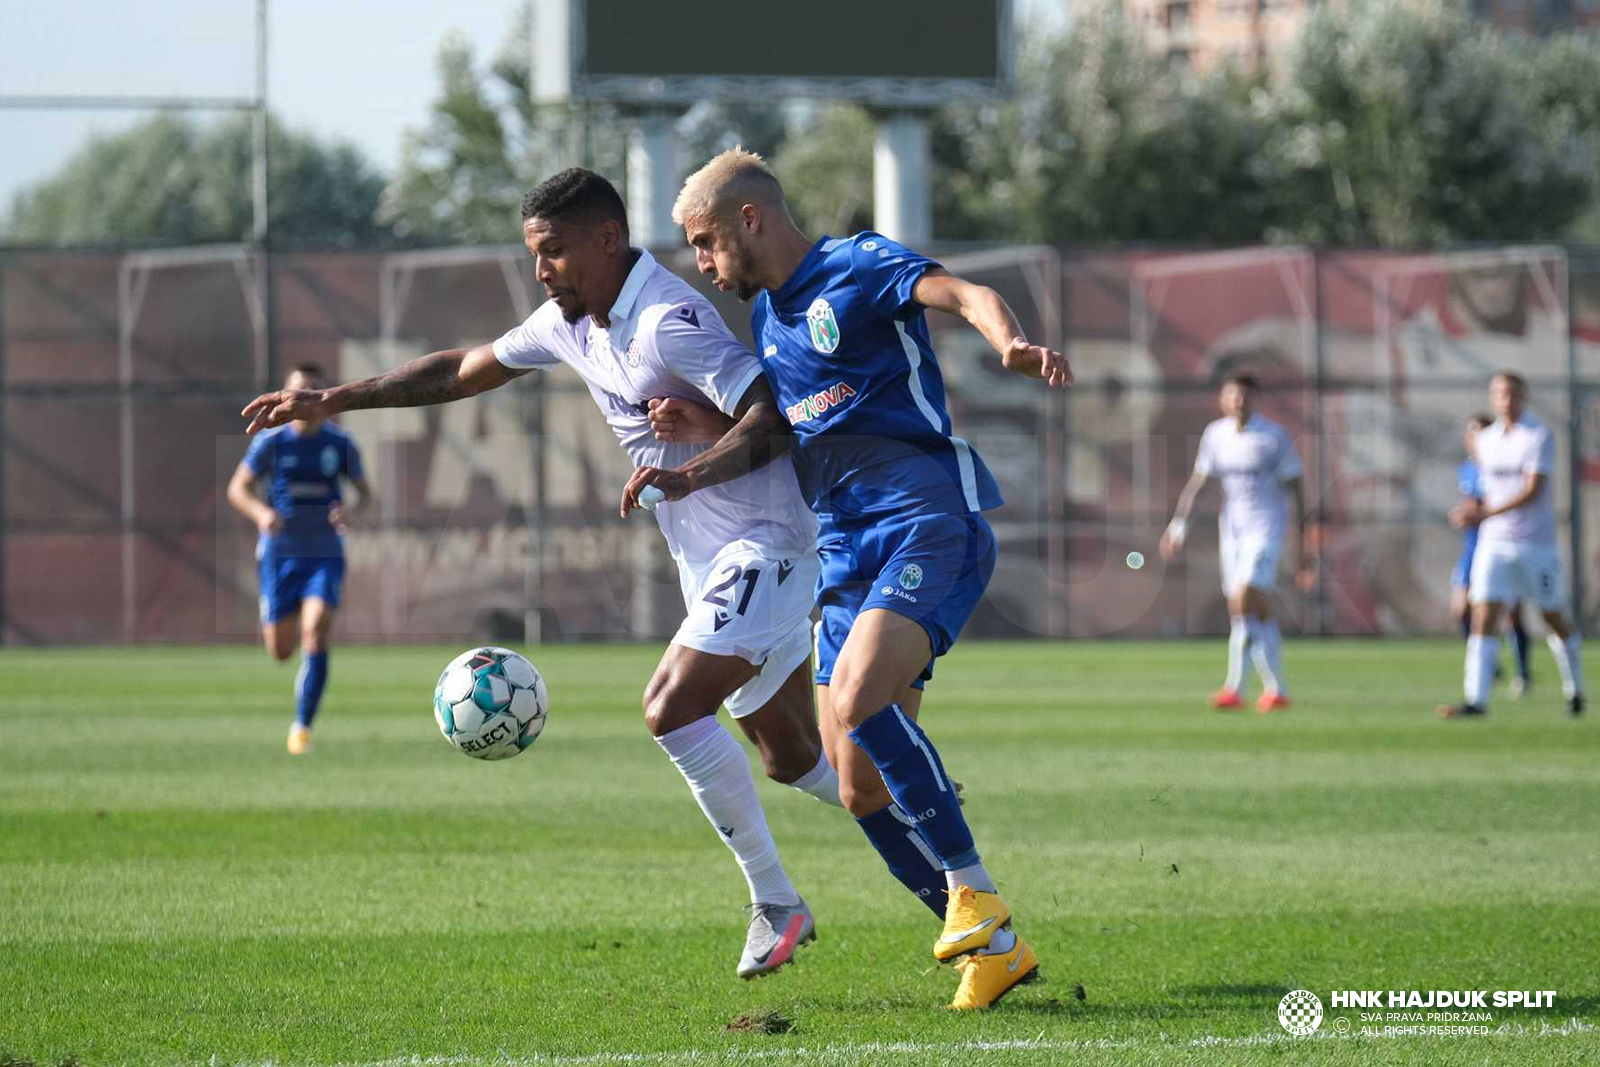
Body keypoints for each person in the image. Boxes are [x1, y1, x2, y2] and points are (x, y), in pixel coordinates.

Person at [241, 168, 845, 979]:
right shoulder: (575, 324)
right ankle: (933, 832)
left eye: (553, 251)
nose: (541, 271)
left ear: (606, 239)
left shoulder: (669, 320)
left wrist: (688, 469)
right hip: (709, 562)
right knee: (793, 757)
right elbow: (461, 370)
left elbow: (774, 415)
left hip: (770, 543)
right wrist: (336, 399)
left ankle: (777, 902)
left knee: (669, 708)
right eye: (534, 254)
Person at [628, 147, 1071, 1010]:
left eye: (708, 244)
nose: (706, 267)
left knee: (860, 697)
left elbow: (962, 292)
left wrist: (1008, 339)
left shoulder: (858, 265)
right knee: (857, 778)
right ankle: (998, 951)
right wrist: (699, 438)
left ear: (749, 219)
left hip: (925, 518)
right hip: (845, 549)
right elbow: (790, 429)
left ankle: (975, 897)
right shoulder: (773, 327)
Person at [227, 362, 373, 755]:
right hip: (280, 555)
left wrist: (352, 511)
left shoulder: (339, 444)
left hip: (324, 551)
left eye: (313, 389)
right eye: (298, 389)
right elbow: (237, 489)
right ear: (286, 396)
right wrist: (262, 513)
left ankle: (302, 727)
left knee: (317, 631)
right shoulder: (271, 442)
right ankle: (276, 625)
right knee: (281, 651)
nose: (304, 396)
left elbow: (365, 494)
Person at [1158, 373, 1310, 712]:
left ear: (1253, 399)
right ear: (1222, 400)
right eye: (1232, 396)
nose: (1238, 401)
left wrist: (1302, 540)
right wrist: (1178, 526)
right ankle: (1273, 689)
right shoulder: (1216, 435)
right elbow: (1199, 483)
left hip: (1267, 528)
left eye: (1243, 396)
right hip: (1232, 531)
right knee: (1247, 612)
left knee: (1245, 598)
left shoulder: (1273, 437)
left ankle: (1236, 686)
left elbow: (1296, 489)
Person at [1440, 372, 1584, 719]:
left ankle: (1575, 689)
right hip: (1494, 543)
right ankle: (1477, 700)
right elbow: (1487, 490)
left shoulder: (1537, 435)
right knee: (1483, 616)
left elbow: (1533, 489)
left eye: (1513, 393)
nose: (1506, 399)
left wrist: (1485, 512)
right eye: (1500, 393)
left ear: (1523, 396)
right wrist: (1471, 511)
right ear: (1493, 398)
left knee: (1551, 615)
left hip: (1535, 543)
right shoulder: (1486, 440)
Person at [1452, 413, 1532, 697]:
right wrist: (1465, 514)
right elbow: (1473, 503)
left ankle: (1523, 673)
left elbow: (1502, 501)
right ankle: (1489, 666)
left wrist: (1477, 513)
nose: (1472, 439)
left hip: (1503, 545)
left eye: (1478, 433)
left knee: (1511, 614)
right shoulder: (1468, 469)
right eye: (1469, 433)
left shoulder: (1503, 466)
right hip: (1473, 548)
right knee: (1461, 609)